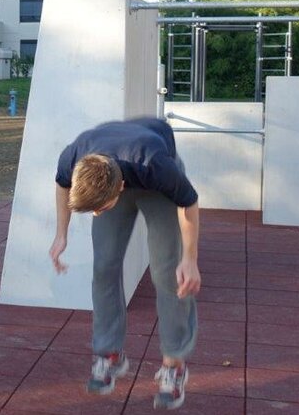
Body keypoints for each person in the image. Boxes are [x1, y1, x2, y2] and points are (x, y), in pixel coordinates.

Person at [49, 117, 200, 410]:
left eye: (100, 209)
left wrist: (190, 259)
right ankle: (110, 355)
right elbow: (61, 184)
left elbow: (189, 202)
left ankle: (174, 363)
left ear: (119, 189)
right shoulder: (74, 156)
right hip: (110, 165)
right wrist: (61, 235)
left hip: (155, 182)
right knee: (104, 266)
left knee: (168, 273)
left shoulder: (156, 165)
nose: (96, 215)